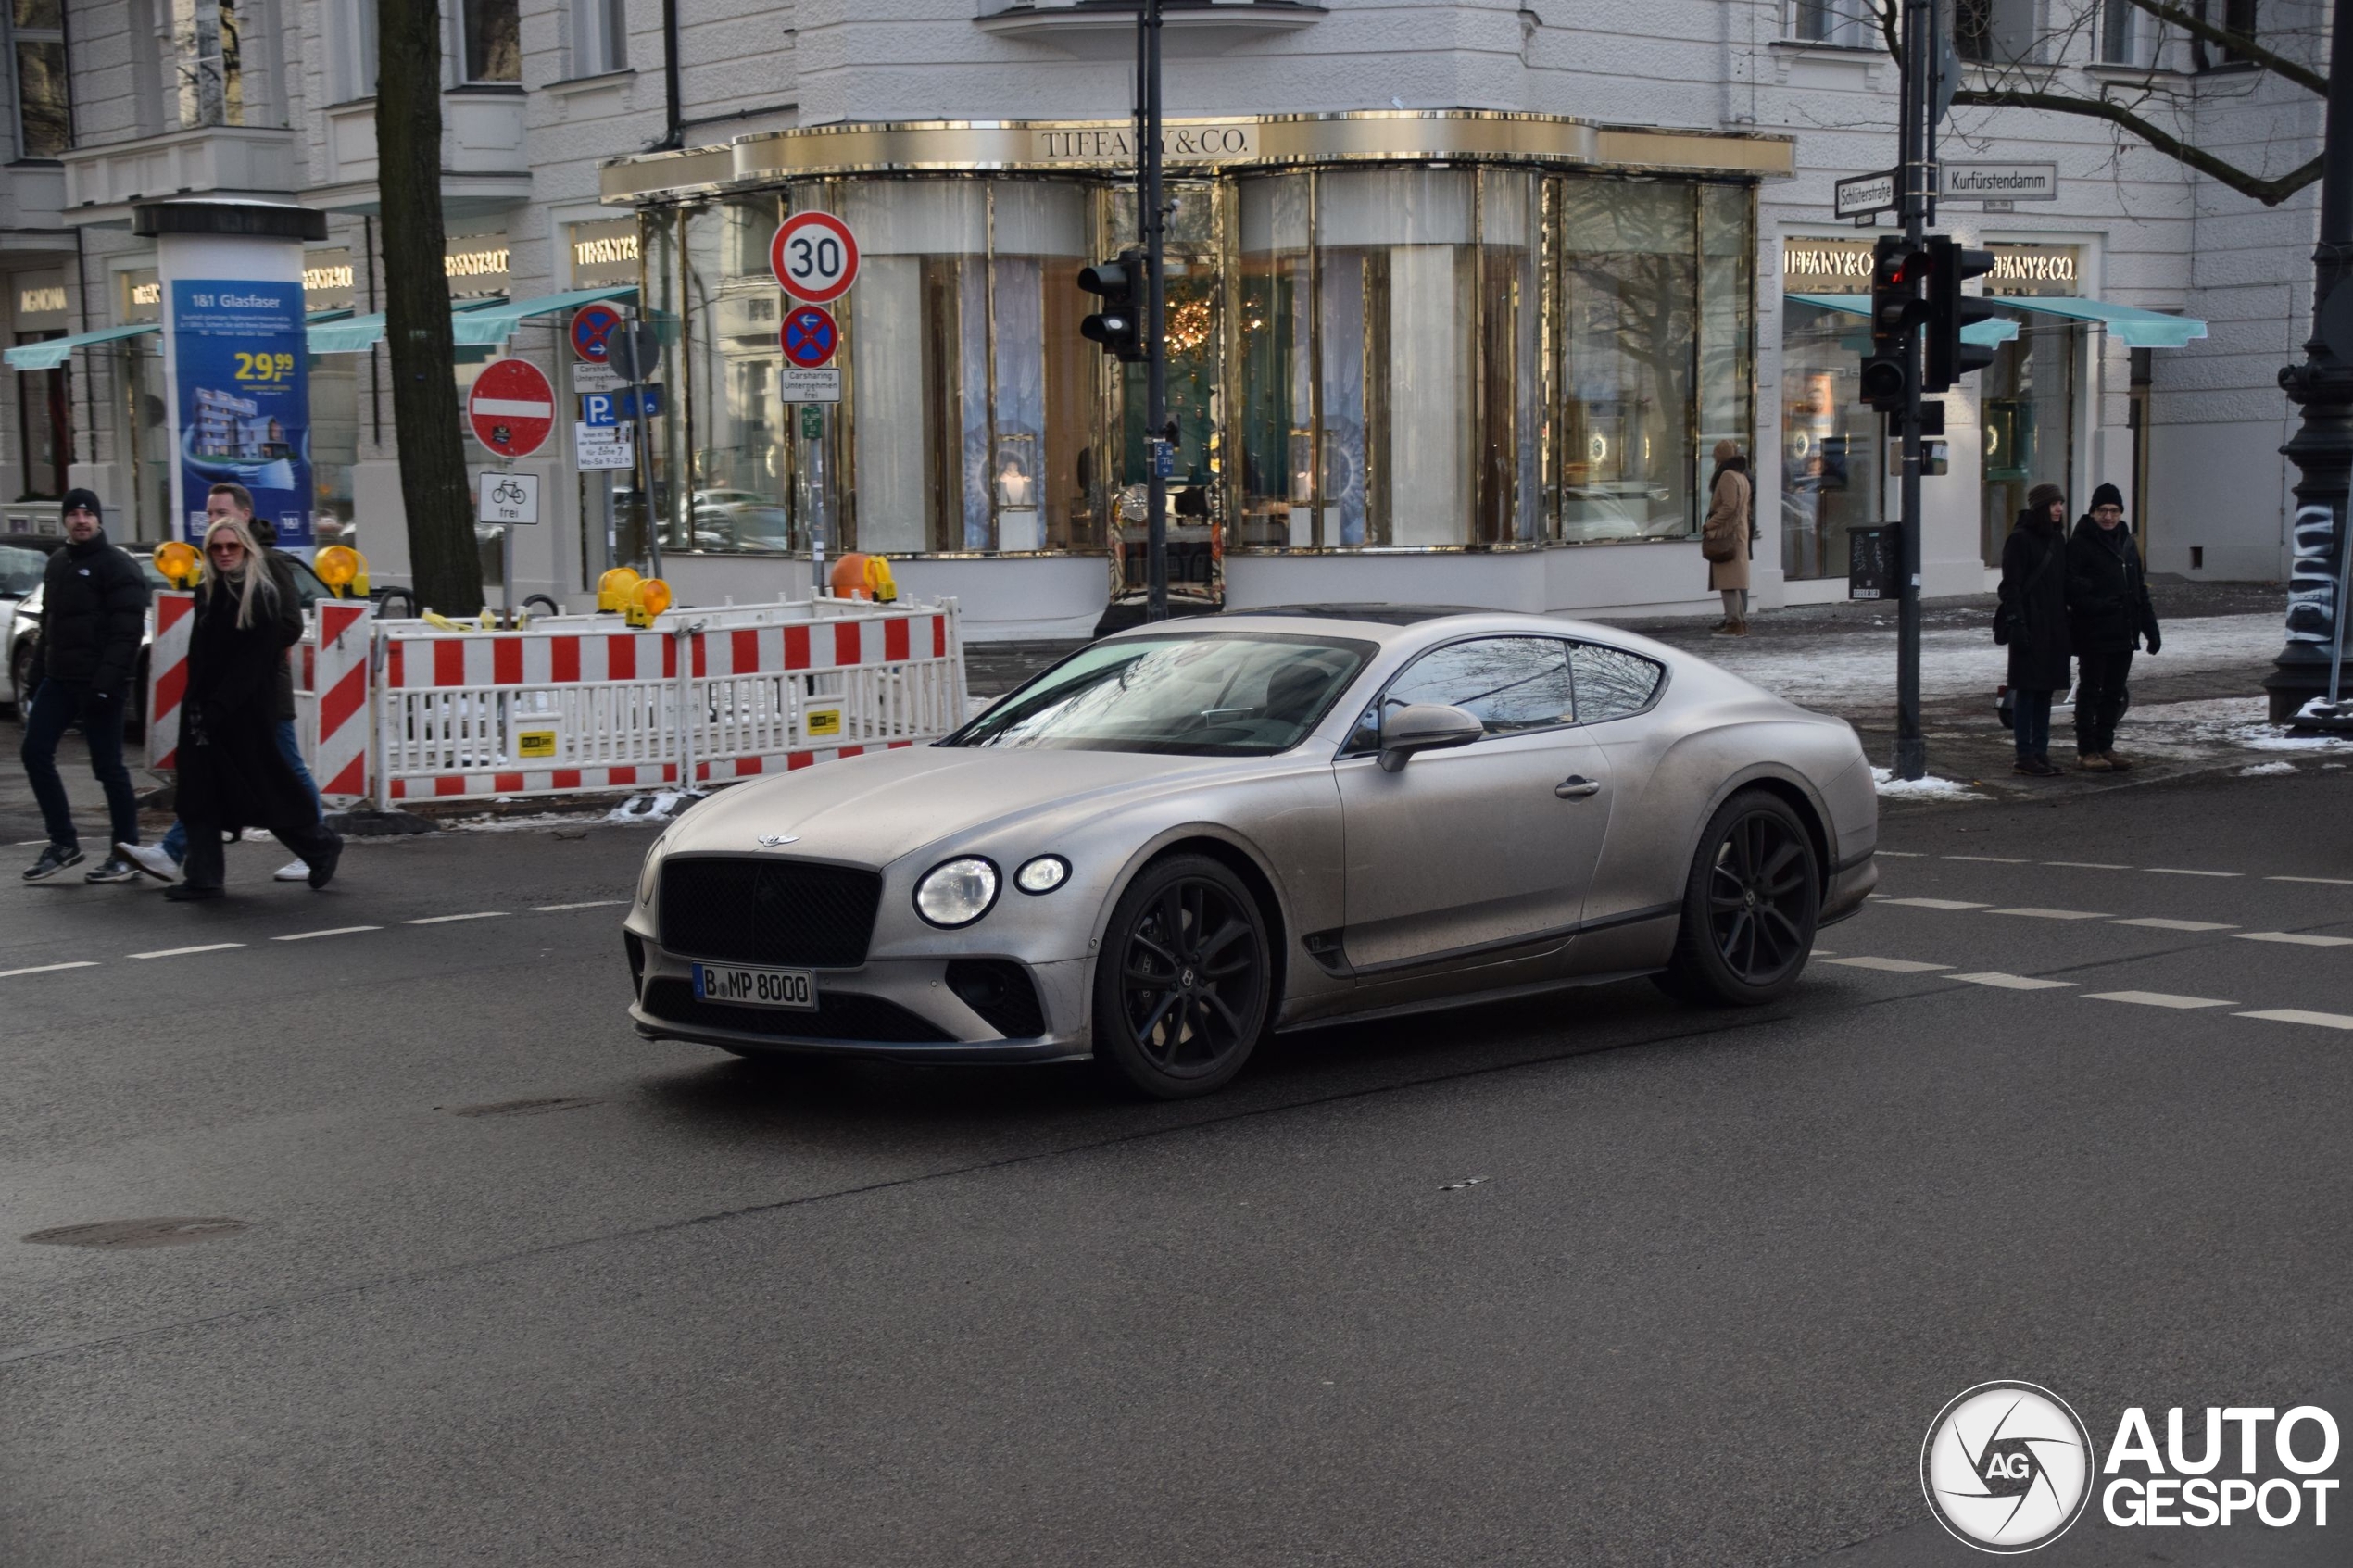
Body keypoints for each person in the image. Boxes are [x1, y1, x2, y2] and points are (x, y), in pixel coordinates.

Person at [118, 483, 320, 884]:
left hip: (262, 694)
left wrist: (251, 656)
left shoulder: (268, 564)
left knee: (284, 772)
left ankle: (317, 844)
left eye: (219, 512)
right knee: (213, 775)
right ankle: (175, 854)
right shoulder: (215, 574)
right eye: (208, 515)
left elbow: (288, 625)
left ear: (244, 515)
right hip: (226, 699)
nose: (211, 521)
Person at [162, 515, 341, 900]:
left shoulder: (261, 593)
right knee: (198, 791)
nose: (225, 553)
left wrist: (218, 707)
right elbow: (200, 654)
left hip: (244, 710)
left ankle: (320, 845)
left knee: (265, 789)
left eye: (232, 546)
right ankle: (204, 877)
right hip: (206, 708)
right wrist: (195, 704)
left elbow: (253, 661)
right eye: (217, 547)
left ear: (245, 548)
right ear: (208, 552)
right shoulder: (207, 590)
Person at [19, 490, 152, 883]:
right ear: (65, 521)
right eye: (74, 514)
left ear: (98, 520)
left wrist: (108, 683)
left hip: (100, 685)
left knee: (108, 767)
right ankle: (63, 843)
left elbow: (127, 631)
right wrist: (37, 674)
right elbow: (51, 624)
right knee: (34, 753)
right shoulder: (59, 563)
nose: (81, 520)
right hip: (59, 681)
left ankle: (125, 851)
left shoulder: (117, 566)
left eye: (87, 513)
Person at [2066, 481, 2160, 772]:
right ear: (2093, 512)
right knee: (2090, 690)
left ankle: (2106, 745)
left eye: (2114, 511)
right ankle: (2087, 750)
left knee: (2114, 692)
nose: (2108, 516)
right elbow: (2069, 588)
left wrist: (2150, 628)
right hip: (2093, 630)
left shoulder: (2128, 544)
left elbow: (2139, 590)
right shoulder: (2080, 543)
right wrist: (2096, 604)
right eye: (2103, 510)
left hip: (2124, 630)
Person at [1994, 482, 2071, 777]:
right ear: (2040, 506)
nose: (2059, 508)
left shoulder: (2057, 540)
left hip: (2054, 626)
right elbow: (2010, 587)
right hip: (2028, 625)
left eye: (2061, 503)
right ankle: (2024, 754)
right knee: (2027, 692)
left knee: (2045, 692)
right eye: (2053, 503)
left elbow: (2062, 583)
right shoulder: (2020, 539)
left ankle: (2041, 751)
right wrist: (2017, 624)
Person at [1703, 439, 1753, 637]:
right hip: (1739, 532)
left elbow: (1729, 506)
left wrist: (1710, 524)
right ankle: (1739, 621)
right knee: (1734, 580)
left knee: (1727, 582)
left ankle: (1734, 624)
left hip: (1727, 533)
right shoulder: (1741, 476)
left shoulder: (1727, 476)